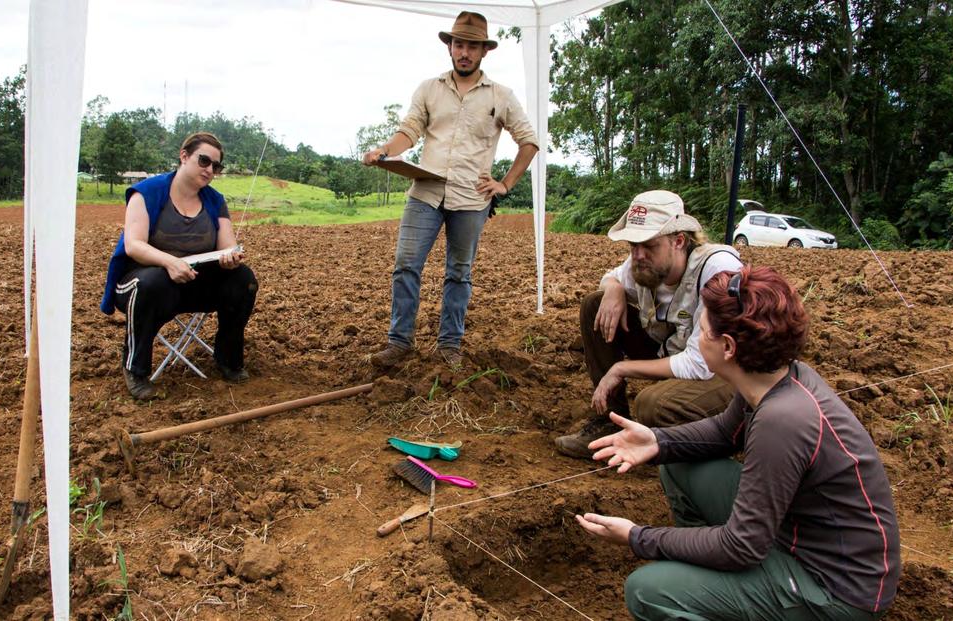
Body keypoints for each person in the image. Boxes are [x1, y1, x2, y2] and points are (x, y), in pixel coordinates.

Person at [575, 266, 901, 620]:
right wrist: (657, 441)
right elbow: (722, 434)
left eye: (701, 331)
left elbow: (742, 545)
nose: (698, 339)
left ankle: (720, 592)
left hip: (832, 589)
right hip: (794, 533)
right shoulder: (778, 378)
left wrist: (638, 536)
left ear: (728, 347)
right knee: (678, 464)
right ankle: (712, 579)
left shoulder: (783, 421)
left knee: (649, 591)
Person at [363, 11, 539, 369]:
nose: (465, 52)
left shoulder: (501, 96)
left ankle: (449, 345)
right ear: (450, 47)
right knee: (406, 266)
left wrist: (504, 184)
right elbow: (409, 131)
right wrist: (385, 151)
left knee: (459, 273)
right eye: (459, 44)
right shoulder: (429, 88)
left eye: (473, 46)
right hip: (425, 193)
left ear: (484, 52)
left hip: (472, 199)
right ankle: (399, 343)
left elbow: (529, 142)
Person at [555, 190, 743, 458]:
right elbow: (611, 277)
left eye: (649, 245)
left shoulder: (716, 270)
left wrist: (621, 368)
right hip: (669, 351)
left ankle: (698, 440)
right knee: (595, 304)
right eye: (633, 245)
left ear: (679, 240)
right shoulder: (644, 263)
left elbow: (698, 365)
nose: (638, 255)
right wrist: (614, 289)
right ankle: (611, 423)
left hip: (722, 374)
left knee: (653, 405)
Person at [99, 132, 258, 400]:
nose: (209, 170)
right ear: (184, 156)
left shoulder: (215, 200)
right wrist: (169, 262)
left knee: (243, 279)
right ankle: (135, 368)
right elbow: (134, 245)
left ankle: (228, 359)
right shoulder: (147, 192)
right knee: (152, 282)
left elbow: (228, 245)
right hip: (144, 283)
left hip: (193, 282)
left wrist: (231, 258)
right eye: (204, 161)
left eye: (216, 167)